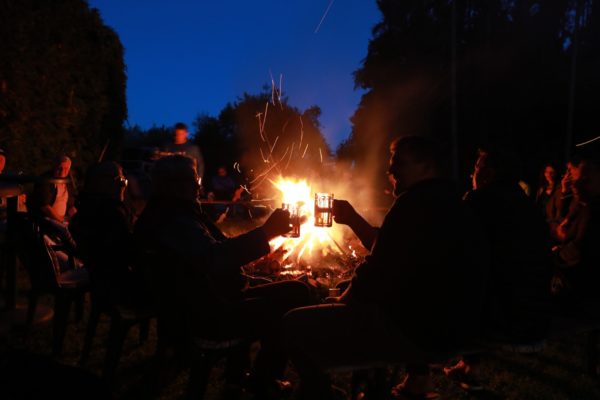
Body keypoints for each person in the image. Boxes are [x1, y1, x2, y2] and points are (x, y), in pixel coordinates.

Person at [283, 136, 490, 400]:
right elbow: (393, 251)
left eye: (399, 164)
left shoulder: (412, 204)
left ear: (427, 166)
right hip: (455, 330)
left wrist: (339, 304)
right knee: (348, 292)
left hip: (418, 333)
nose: (390, 172)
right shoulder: (453, 203)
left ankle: (320, 392)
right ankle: (377, 386)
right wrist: (353, 219)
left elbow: (373, 278)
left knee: (293, 324)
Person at [133, 155, 310, 398]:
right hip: (207, 316)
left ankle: (238, 376)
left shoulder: (168, 213)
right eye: (195, 180)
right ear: (176, 184)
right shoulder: (173, 221)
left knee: (296, 290)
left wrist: (260, 248)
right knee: (287, 310)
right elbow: (214, 259)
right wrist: (266, 231)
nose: (199, 186)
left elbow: (214, 251)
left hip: (204, 300)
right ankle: (262, 380)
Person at [69, 161, 143, 307]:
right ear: (102, 183)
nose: (124, 185)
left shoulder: (84, 209)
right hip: (118, 287)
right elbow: (131, 254)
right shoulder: (112, 215)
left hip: (100, 284)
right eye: (120, 180)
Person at [27, 155, 77, 224]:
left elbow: (71, 205)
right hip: (47, 220)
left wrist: (76, 218)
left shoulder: (68, 181)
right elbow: (45, 207)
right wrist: (61, 220)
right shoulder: (46, 180)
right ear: (54, 167)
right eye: (60, 168)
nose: (62, 172)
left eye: (66, 169)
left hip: (63, 219)